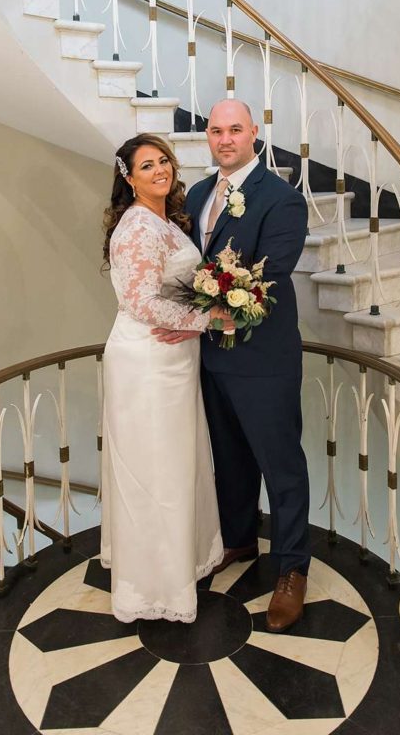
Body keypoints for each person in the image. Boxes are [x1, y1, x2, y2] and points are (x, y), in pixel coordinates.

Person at [154, 100, 311, 632]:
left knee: (280, 464)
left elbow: (267, 285)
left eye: (235, 129)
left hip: (263, 359)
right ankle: (240, 540)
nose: (225, 139)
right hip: (209, 360)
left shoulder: (282, 200)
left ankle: (292, 569)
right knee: (229, 457)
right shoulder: (197, 194)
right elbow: (193, 269)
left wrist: (199, 322)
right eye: (216, 130)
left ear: (255, 133)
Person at [100, 133, 230, 623]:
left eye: (163, 161)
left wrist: (200, 314)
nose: (159, 170)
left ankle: (179, 561)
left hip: (174, 359)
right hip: (146, 362)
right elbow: (142, 304)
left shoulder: (167, 221)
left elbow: (171, 293)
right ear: (128, 178)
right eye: (146, 165)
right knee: (153, 468)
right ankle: (154, 584)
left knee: (176, 462)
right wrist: (213, 318)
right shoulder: (136, 226)